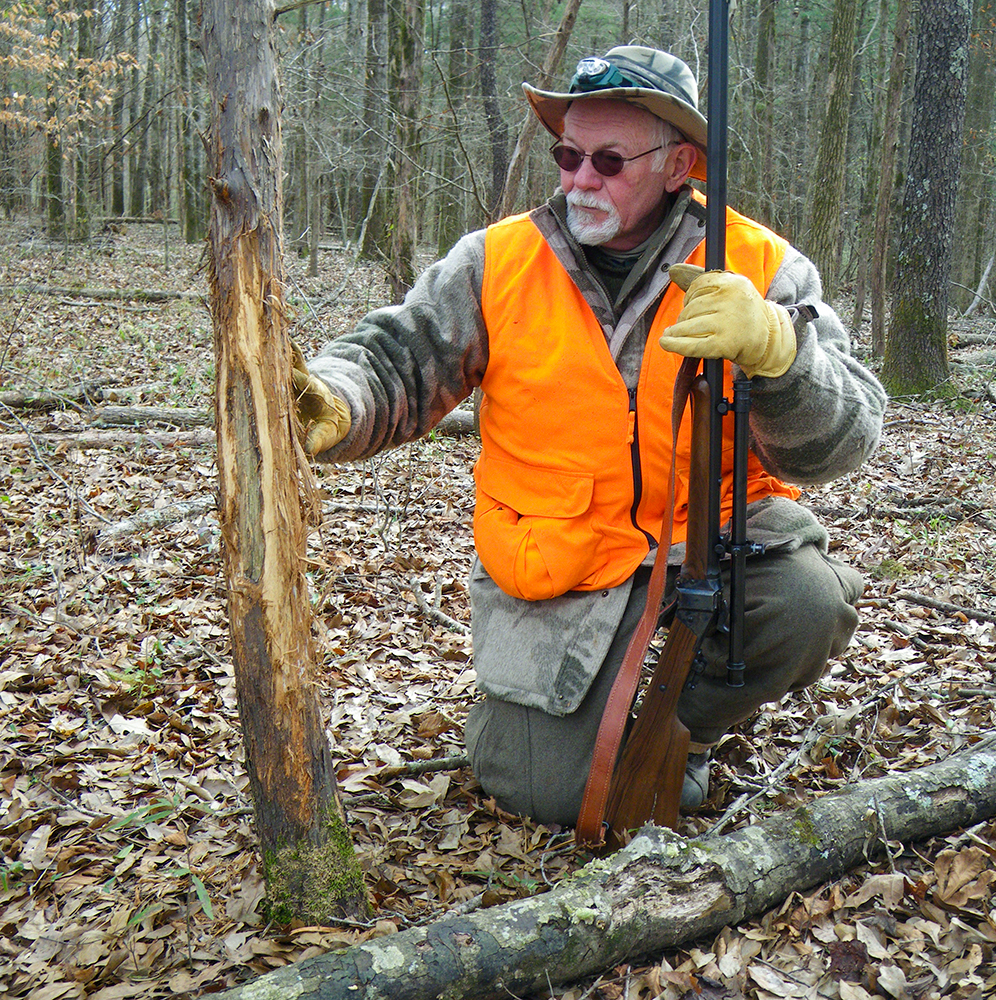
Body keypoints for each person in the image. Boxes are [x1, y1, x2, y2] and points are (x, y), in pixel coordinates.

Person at [293, 46, 887, 827]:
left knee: (807, 604)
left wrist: (781, 352)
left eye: (609, 161)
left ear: (680, 166)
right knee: (539, 793)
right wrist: (333, 401)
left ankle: (688, 728)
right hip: (561, 553)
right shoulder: (496, 261)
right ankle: (600, 706)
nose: (579, 179)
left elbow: (848, 440)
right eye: (568, 155)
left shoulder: (759, 266)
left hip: (711, 541)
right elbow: (399, 360)